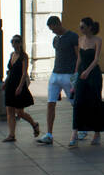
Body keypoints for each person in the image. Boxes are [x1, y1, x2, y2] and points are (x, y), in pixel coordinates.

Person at [68, 17, 104, 148]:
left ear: (90, 27)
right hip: (81, 74)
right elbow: (79, 58)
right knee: (78, 102)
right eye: (80, 27)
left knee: (94, 102)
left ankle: (97, 133)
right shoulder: (80, 40)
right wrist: (76, 73)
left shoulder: (97, 40)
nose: (80, 29)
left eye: (83, 27)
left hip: (93, 74)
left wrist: (87, 71)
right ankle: (74, 134)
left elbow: (96, 60)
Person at [36, 14, 86, 145]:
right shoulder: (55, 39)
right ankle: (49, 134)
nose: (52, 31)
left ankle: (81, 128)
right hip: (55, 74)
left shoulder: (73, 37)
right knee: (50, 103)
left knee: (75, 103)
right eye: (50, 29)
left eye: (53, 28)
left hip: (68, 74)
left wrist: (76, 72)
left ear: (58, 24)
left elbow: (78, 55)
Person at [2, 35, 40, 142]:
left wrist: (20, 87)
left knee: (19, 112)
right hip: (10, 85)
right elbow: (10, 71)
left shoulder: (24, 56)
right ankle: (11, 135)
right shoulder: (11, 55)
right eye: (13, 41)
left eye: (17, 41)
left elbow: (24, 73)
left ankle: (34, 124)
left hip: (19, 85)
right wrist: (5, 82)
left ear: (20, 43)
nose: (14, 44)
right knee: (9, 110)